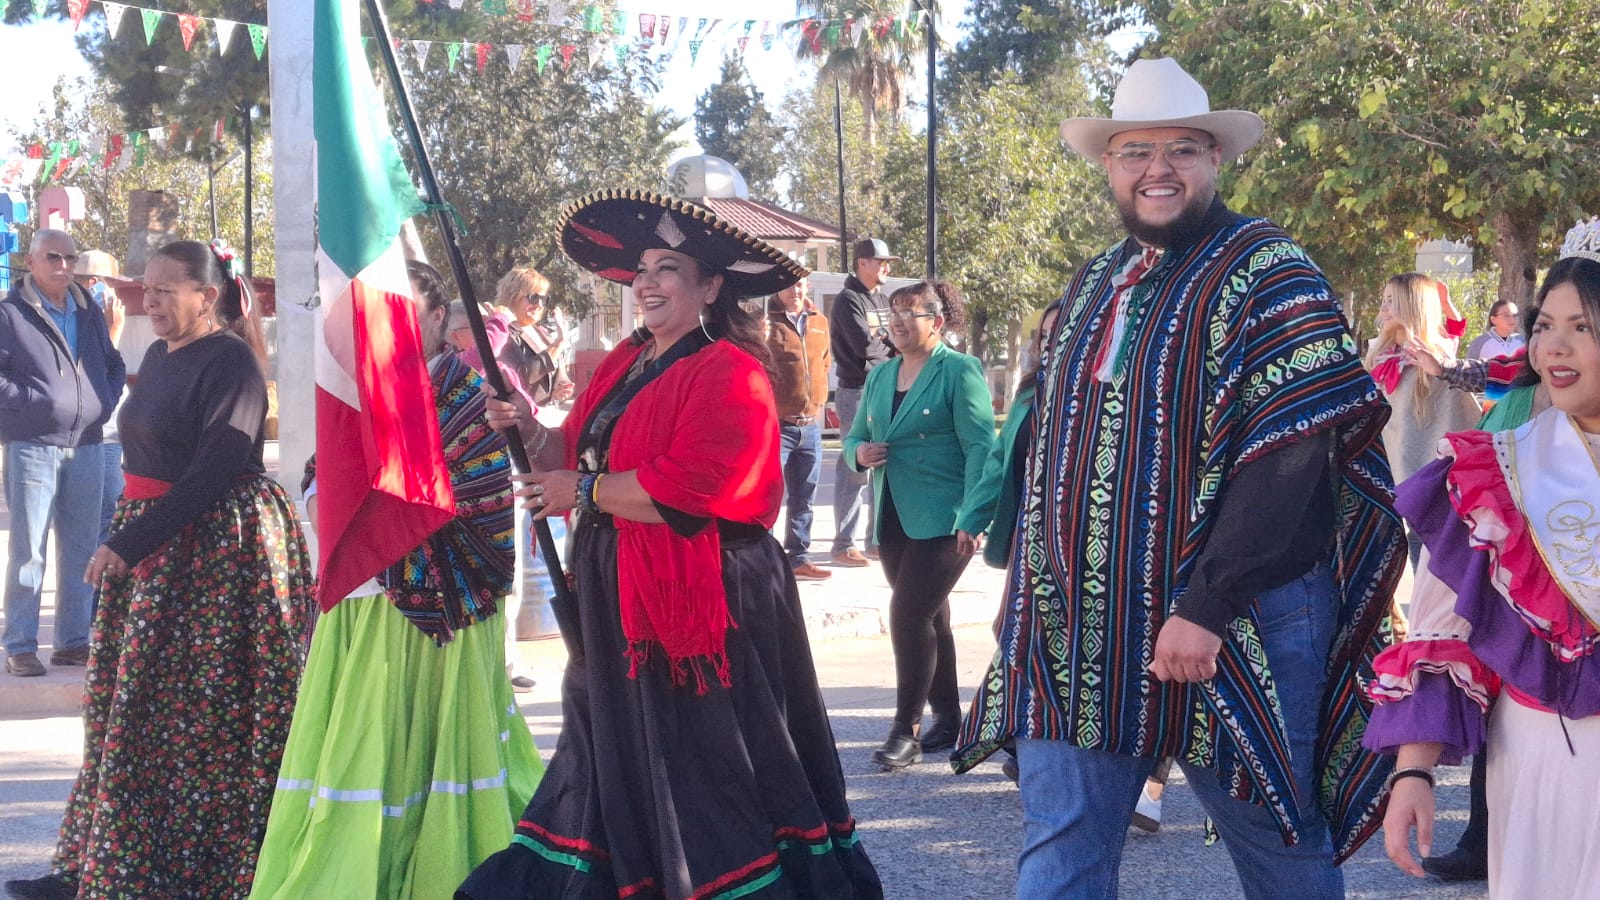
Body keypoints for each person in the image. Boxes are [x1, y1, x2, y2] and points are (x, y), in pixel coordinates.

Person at [951, 58, 1405, 899]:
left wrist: (1205, 605)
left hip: (1239, 620)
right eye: (1134, 152)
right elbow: (1057, 449)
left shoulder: (1270, 269)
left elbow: (1293, 454)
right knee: (1060, 851)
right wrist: (1029, 604)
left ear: (1214, 161)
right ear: (1108, 167)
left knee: (1277, 845)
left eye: (1181, 149)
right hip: (1085, 631)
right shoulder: (1094, 280)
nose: (1157, 168)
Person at [459, 189, 881, 899]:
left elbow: (689, 487)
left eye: (668, 269)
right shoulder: (627, 362)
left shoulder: (733, 372)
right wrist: (526, 432)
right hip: (621, 597)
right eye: (642, 270)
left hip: (706, 607)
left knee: (704, 757)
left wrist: (583, 492)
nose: (646, 283)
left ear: (710, 287)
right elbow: (579, 446)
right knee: (616, 746)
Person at [4, 240, 314, 900]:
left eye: (167, 290)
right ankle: (101, 869)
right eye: (147, 288)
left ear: (206, 296)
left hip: (210, 557)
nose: (151, 300)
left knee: (195, 722)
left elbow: (218, 465)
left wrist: (134, 540)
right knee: (127, 717)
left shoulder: (230, 360)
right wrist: (133, 534)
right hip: (154, 547)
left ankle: (191, 877)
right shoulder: (157, 354)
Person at [249, 260, 541, 899]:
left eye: (407, 314)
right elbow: (318, 477)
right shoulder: (358, 393)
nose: (390, 329)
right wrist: (330, 503)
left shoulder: (467, 397)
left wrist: (381, 531)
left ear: (440, 319)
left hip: (442, 616)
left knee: (425, 755)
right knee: (361, 750)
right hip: (361, 607)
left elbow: (487, 504)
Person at [1366, 226, 1600, 899]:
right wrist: (1414, 773)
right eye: (1545, 324)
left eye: (1581, 326)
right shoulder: (1495, 468)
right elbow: (1443, 627)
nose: (1553, 345)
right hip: (1547, 758)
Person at [844, 280, 994, 768]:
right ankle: (949, 719)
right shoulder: (880, 375)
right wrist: (859, 455)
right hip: (892, 514)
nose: (900, 322)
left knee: (908, 616)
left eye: (913, 312)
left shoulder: (960, 370)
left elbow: (980, 447)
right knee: (933, 617)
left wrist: (974, 513)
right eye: (894, 313)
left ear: (939, 320)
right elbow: (854, 438)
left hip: (946, 519)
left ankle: (905, 730)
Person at [0, 229, 125, 677]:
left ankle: (73, 641)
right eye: (53, 257)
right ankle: (20, 644)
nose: (64, 265)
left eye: (70, 257)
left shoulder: (88, 309)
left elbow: (112, 363)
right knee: (29, 549)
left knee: (82, 550)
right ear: (31, 261)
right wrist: (35, 404)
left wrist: (102, 402)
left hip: (88, 444)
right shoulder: (10, 313)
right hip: (33, 445)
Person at [1367, 272, 1484, 567]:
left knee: (1437, 551)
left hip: (1437, 479)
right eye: (1384, 299)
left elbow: (1456, 413)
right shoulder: (1379, 356)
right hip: (1398, 470)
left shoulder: (1434, 359)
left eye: (1391, 300)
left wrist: (1446, 305)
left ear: (1413, 305)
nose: (1383, 306)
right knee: (1416, 543)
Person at [829, 237, 898, 568]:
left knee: (880, 465)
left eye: (887, 262)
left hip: (883, 389)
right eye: (881, 261)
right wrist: (893, 356)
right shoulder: (848, 300)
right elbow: (864, 347)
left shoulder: (882, 298)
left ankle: (874, 541)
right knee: (854, 466)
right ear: (862, 264)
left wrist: (892, 350)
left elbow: (895, 339)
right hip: (856, 392)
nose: (886, 267)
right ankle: (843, 544)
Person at [767, 274, 833, 582]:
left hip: (810, 427)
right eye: (790, 284)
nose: (796, 290)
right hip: (776, 426)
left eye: (801, 284)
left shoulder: (819, 321)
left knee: (804, 496)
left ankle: (799, 557)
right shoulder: (768, 323)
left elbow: (824, 363)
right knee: (766, 493)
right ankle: (763, 557)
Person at [494, 266, 574, 407]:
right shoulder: (503, 333)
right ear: (513, 296)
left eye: (544, 299)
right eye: (534, 297)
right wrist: (559, 342)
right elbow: (522, 376)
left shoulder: (541, 333)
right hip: (520, 420)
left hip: (547, 415)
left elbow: (555, 374)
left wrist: (562, 386)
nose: (539, 305)